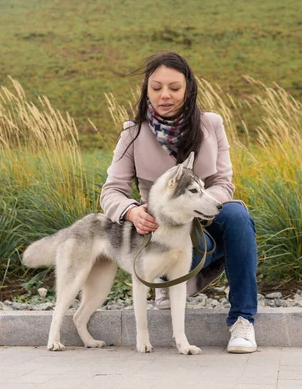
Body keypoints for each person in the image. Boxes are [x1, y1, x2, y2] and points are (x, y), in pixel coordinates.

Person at [100, 52, 258, 354]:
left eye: (174, 87)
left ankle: (242, 321)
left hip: (204, 220)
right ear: (147, 89)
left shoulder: (211, 124)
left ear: (188, 89)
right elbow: (111, 191)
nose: (165, 95)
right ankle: (165, 279)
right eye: (156, 87)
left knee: (237, 215)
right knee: (189, 240)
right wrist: (132, 211)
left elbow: (224, 184)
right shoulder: (132, 132)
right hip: (159, 231)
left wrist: (194, 209)